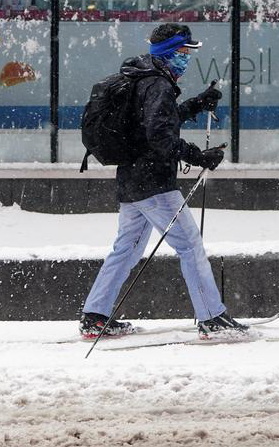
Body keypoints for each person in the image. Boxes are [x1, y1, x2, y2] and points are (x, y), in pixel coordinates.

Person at [79, 23, 249, 340]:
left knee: (126, 250)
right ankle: (212, 319)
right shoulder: (157, 84)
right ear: (169, 53)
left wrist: (196, 104)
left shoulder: (140, 78)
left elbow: (154, 123)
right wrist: (199, 156)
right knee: (190, 246)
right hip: (154, 185)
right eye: (183, 52)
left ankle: (95, 315)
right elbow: (159, 137)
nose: (187, 58)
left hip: (131, 182)